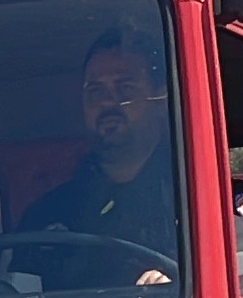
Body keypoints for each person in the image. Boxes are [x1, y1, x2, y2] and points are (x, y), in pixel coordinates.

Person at [15, 29, 179, 276]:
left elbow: (240, 279)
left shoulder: (195, 197)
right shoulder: (48, 214)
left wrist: (174, 286)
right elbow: (17, 291)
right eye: (95, 92)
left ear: (160, 98)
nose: (108, 103)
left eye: (125, 88)